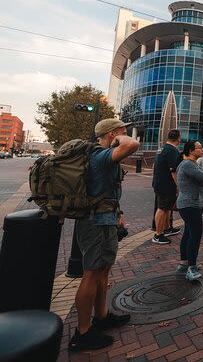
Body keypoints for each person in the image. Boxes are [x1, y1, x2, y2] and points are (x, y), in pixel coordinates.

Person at [69, 119, 140, 351]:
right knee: (91, 274)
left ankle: (101, 316)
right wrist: (119, 139)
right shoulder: (100, 156)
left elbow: (107, 189)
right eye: (122, 131)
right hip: (96, 223)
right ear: (111, 135)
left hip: (105, 219)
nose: (126, 133)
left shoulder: (103, 156)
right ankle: (83, 333)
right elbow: (132, 145)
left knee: (102, 270)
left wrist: (117, 212)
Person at [176, 140, 203, 281]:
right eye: (199, 148)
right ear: (191, 151)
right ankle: (191, 268)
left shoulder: (192, 164)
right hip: (190, 204)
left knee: (188, 233)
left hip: (191, 204)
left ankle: (183, 264)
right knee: (195, 235)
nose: (202, 149)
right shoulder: (188, 164)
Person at [151, 129, 182, 244]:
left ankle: (167, 228)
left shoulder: (162, 148)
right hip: (166, 184)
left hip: (159, 182)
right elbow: (173, 170)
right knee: (162, 208)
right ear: (178, 138)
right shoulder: (172, 151)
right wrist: (178, 185)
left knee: (167, 207)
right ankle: (158, 234)